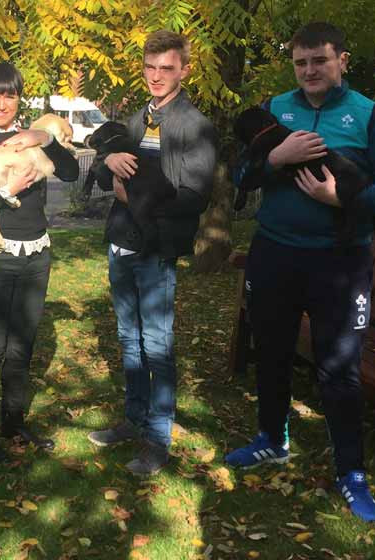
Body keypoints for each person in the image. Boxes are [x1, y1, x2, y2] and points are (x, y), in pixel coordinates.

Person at [224, 22, 375, 522]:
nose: (309, 71)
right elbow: (240, 177)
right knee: (271, 352)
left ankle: (351, 473)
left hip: (340, 262)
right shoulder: (272, 111)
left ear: (342, 61)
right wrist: (275, 159)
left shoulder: (370, 116)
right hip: (275, 254)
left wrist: (344, 198)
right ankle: (271, 438)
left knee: (340, 371)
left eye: (320, 61)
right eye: (301, 63)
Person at [87, 30, 217, 476]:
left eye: (167, 68)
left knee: (157, 345)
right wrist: (108, 163)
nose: (157, 76)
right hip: (121, 241)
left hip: (156, 249)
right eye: (150, 67)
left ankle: (158, 441)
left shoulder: (194, 125)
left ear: (184, 69)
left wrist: (135, 199)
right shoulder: (138, 117)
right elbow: (111, 178)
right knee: (128, 339)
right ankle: (134, 419)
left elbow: (195, 196)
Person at [0, 63, 79, 463]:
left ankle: (13, 424)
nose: (2, 104)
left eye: (10, 95)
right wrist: (4, 190)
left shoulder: (31, 135)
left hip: (36, 253)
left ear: (19, 98)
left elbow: (69, 172)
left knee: (21, 347)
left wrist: (44, 137)